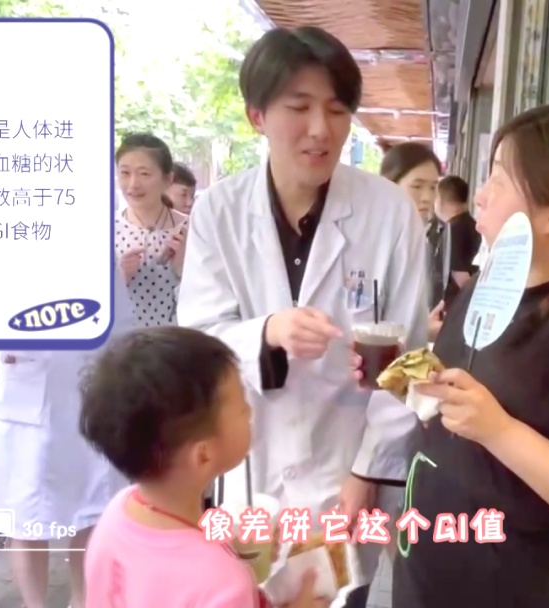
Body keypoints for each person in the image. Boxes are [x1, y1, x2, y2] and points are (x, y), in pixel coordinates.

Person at [352, 103, 549, 607]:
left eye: (499, 179)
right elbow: (462, 400)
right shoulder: (486, 289)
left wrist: (500, 431)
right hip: (428, 579)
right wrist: (410, 381)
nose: (480, 196)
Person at [177, 26, 428, 608]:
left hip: (348, 464)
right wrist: (267, 331)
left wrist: (367, 474)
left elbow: (410, 359)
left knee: (338, 596)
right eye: (299, 108)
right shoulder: (219, 212)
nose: (321, 129)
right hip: (251, 466)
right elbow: (197, 340)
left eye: (337, 111)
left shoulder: (389, 213)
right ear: (257, 116)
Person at [81, 326, 330, 607]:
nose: (250, 411)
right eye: (242, 407)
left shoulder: (117, 513)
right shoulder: (224, 582)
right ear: (203, 455)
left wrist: (226, 548)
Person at [0, 268, 136, 608]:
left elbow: (121, 323)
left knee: (92, 511)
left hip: (92, 387)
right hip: (28, 395)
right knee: (25, 518)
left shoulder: (95, 251)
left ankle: (85, 601)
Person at [115, 134, 188, 327]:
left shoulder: (190, 229)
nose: (133, 184)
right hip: (124, 342)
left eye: (144, 174)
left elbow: (210, 300)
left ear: (168, 179)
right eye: (125, 173)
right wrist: (119, 279)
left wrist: (182, 269)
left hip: (176, 340)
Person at [380, 143, 448, 312]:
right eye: (417, 186)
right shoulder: (369, 241)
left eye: (433, 187)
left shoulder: (426, 240)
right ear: (388, 184)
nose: (427, 197)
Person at [435, 175, 481, 309]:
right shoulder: (472, 224)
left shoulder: (454, 230)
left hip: (454, 306)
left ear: (439, 200)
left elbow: (461, 275)